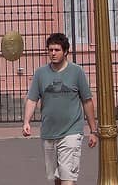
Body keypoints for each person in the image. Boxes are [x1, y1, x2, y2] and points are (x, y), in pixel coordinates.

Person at [22, 32, 98, 185]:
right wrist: (26, 121)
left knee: (67, 178)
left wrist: (93, 130)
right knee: (56, 178)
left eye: (56, 50)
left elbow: (87, 101)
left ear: (65, 52)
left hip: (71, 132)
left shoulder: (77, 72)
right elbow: (32, 99)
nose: (53, 53)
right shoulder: (40, 73)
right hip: (49, 133)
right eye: (50, 50)